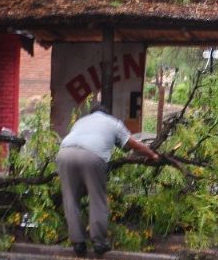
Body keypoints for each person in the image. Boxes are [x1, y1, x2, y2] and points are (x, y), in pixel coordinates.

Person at [56, 104, 159, 256]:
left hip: (64, 154)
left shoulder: (80, 122)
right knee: (97, 198)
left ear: (92, 113)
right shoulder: (113, 122)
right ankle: (99, 242)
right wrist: (152, 155)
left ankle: (78, 243)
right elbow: (133, 145)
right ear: (106, 113)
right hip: (92, 156)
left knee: (71, 198)